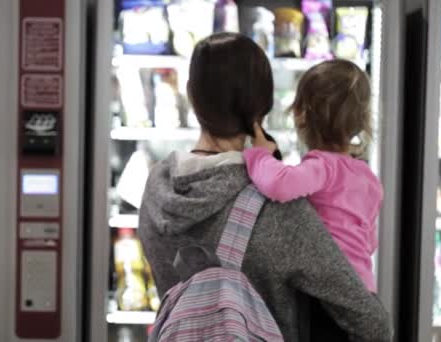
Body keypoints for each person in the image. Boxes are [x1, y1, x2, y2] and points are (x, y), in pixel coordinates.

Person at [138, 32, 390, 341]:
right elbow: (371, 322)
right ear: (264, 108)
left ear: (192, 95)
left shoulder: (156, 190)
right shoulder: (278, 210)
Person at [244, 59, 381, 293]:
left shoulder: (323, 167)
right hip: (363, 290)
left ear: (301, 115)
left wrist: (259, 155)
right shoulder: (367, 177)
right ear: (361, 122)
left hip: (329, 291)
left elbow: (279, 184)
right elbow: (370, 242)